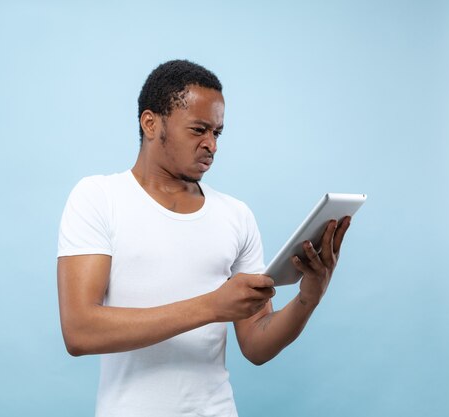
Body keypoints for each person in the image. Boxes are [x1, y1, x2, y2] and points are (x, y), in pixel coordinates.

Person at [57, 59, 351, 417]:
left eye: (217, 132)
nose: (211, 144)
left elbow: (257, 344)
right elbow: (80, 331)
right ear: (150, 123)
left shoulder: (236, 215)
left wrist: (309, 297)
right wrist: (211, 307)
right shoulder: (98, 197)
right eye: (198, 130)